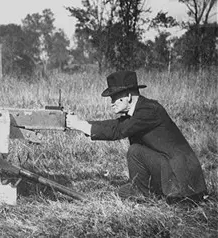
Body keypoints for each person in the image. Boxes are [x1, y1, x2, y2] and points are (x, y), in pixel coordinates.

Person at [66, 70, 207, 203]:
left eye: (115, 97)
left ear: (128, 96)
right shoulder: (141, 110)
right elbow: (115, 125)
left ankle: (142, 193)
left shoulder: (148, 110)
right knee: (124, 188)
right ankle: (145, 191)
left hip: (183, 183)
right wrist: (80, 123)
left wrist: (79, 125)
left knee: (135, 151)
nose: (112, 103)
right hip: (180, 175)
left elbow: (118, 131)